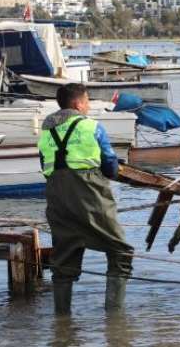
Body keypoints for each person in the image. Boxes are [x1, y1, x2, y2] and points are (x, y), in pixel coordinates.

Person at [38, 83, 134, 313]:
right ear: (77, 104)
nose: (89, 105)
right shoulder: (92, 127)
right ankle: (115, 318)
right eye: (87, 101)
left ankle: (62, 320)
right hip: (89, 190)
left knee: (64, 253)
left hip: (57, 195)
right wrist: (111, 173)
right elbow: (110, 163)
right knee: (120, 250)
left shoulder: (46, 130)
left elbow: (44, 164)